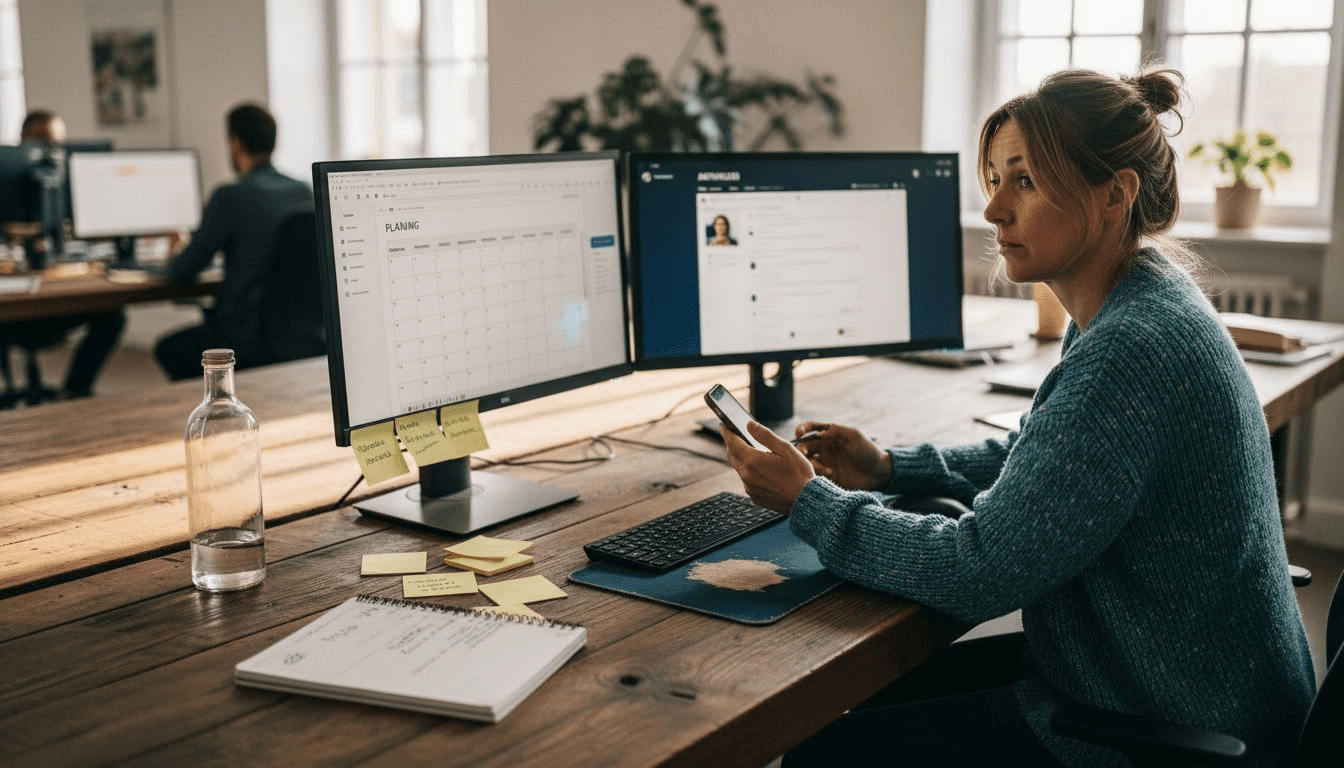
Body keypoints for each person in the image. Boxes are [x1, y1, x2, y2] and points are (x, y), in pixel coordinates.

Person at [721, 68, 1314, 767]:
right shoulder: (1138, 300)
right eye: (995, 178)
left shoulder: (1129, 351)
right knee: (840, 711)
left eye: (1025, 181)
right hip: (1177, 690)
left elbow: (979, 569)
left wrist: (810, 503)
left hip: (1165, 726)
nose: (995, 209)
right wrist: (888, 468)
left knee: (827, 746)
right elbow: (1044, 460)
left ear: (1115, 195)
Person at [154, 103, 312, 380]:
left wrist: (176, 251)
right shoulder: (304, 191)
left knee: (168, 349)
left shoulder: (230, 197)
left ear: (235, 142)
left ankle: (213, 408)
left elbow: (182, 270)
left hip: (244, 336)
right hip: (299, 333)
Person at [0, 110, 126, 404]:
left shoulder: (66, 179)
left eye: (57, 144)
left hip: (58, 300)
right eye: (40, 142)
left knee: (112, 314)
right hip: (11, 312)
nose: (50, 152)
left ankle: (75, 390)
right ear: (21, 143)